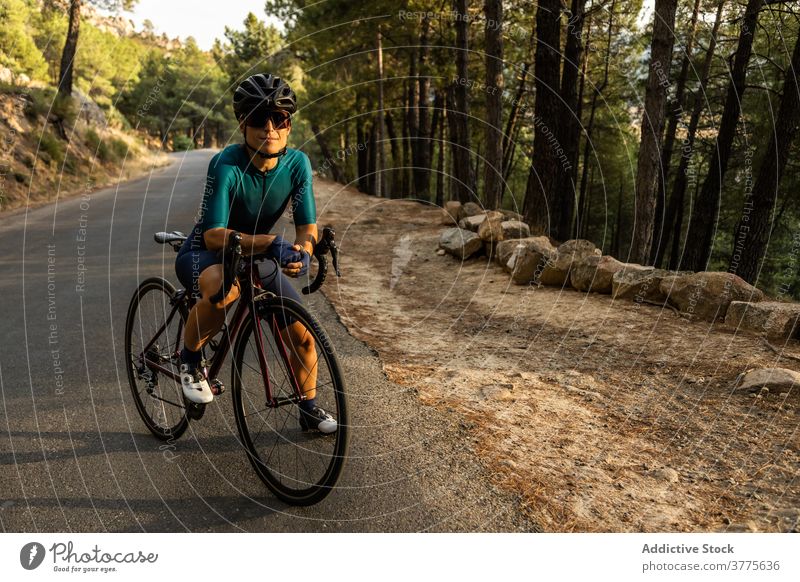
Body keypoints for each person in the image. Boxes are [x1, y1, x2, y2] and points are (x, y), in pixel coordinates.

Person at [173, 73, 336, 433]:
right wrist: (267, 243)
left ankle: (308, 408)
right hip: (205, 252)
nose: (270, 128)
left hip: (255, 256)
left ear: (289, 125)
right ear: (243, 123)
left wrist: (303, 250)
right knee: (222, 288)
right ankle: (189, 359)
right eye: (260, 119)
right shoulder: (226, 164)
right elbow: (215, 234)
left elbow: (307, 225)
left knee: (303, 336)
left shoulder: (297, 164)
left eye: (280, 119)